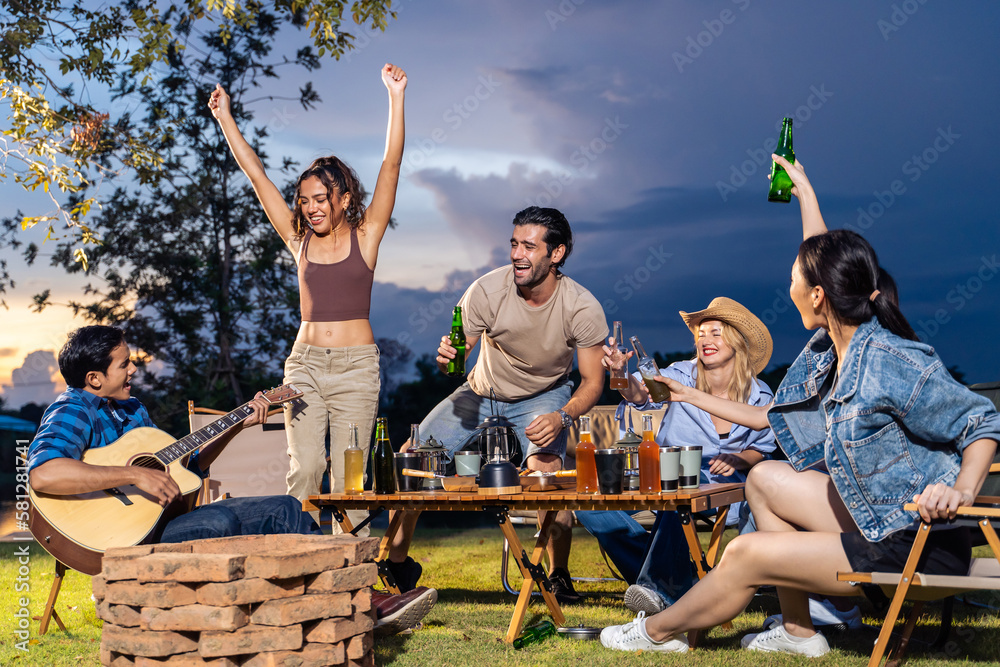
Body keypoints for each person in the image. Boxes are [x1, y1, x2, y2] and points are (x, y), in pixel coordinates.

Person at [599, 158, 1000, 656]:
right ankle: (799, 631)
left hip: (914, 540)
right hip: (876, 516)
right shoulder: (832, 352)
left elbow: (982, 419)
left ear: (817, 296)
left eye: (794, 280)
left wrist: (960, 490)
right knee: (763, 479)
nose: (787, 288)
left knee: (745, 551)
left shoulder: (890, 358)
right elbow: (777, 417)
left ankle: (657, 632)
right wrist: (806, 194)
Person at [27, 325, 435, 636]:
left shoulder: (133, 410)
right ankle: (353, 604)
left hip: (159, 525)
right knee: (221, 524)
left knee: (284, 506)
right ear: (95, 378)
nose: (134, 368)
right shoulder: (75, 408)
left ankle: (360, 597)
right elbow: (45, 472)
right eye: (124, 364)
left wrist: (236, 425)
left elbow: (190, 470)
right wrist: (133, 474)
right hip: (124, 540)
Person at [207, 64, 407, 532]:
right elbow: (257, 177)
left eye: (321, 198)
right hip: (306, 366)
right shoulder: (299, 242)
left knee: (349, 476)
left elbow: (391, 166)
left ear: (342, 198)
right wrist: (225, 120)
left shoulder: (368, 234)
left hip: (357, 367)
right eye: (304, 199)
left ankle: (350, 575)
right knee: (306, 470)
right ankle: (303, 566)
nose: (311, 207)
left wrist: (396, 98)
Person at [384, 206, 608, 602]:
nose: (517, 254)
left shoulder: (581, 306)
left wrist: (562, 416)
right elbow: (457, 359)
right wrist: (447, 360)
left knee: (545, 473)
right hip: (482, 391)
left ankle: (556, 573)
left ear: (556, 254)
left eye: (529, 246)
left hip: (545, 394)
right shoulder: (486, 290)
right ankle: (398, 565)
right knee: (412, 460)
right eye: (514, 244)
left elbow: (593, 383)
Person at [576, 297, 776, 615]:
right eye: (700, 333)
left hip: (726, 486)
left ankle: (668, 587)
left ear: (737, 340)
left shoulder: (760, 394)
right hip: (666, 476)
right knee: (589, 505)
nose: (705, 340)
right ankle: (681, 584)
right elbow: (642, 395)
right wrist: (621, 375)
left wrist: (740, 459)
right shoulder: (680, 375)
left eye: (715, 332)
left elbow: (762, 450)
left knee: (687, 490)